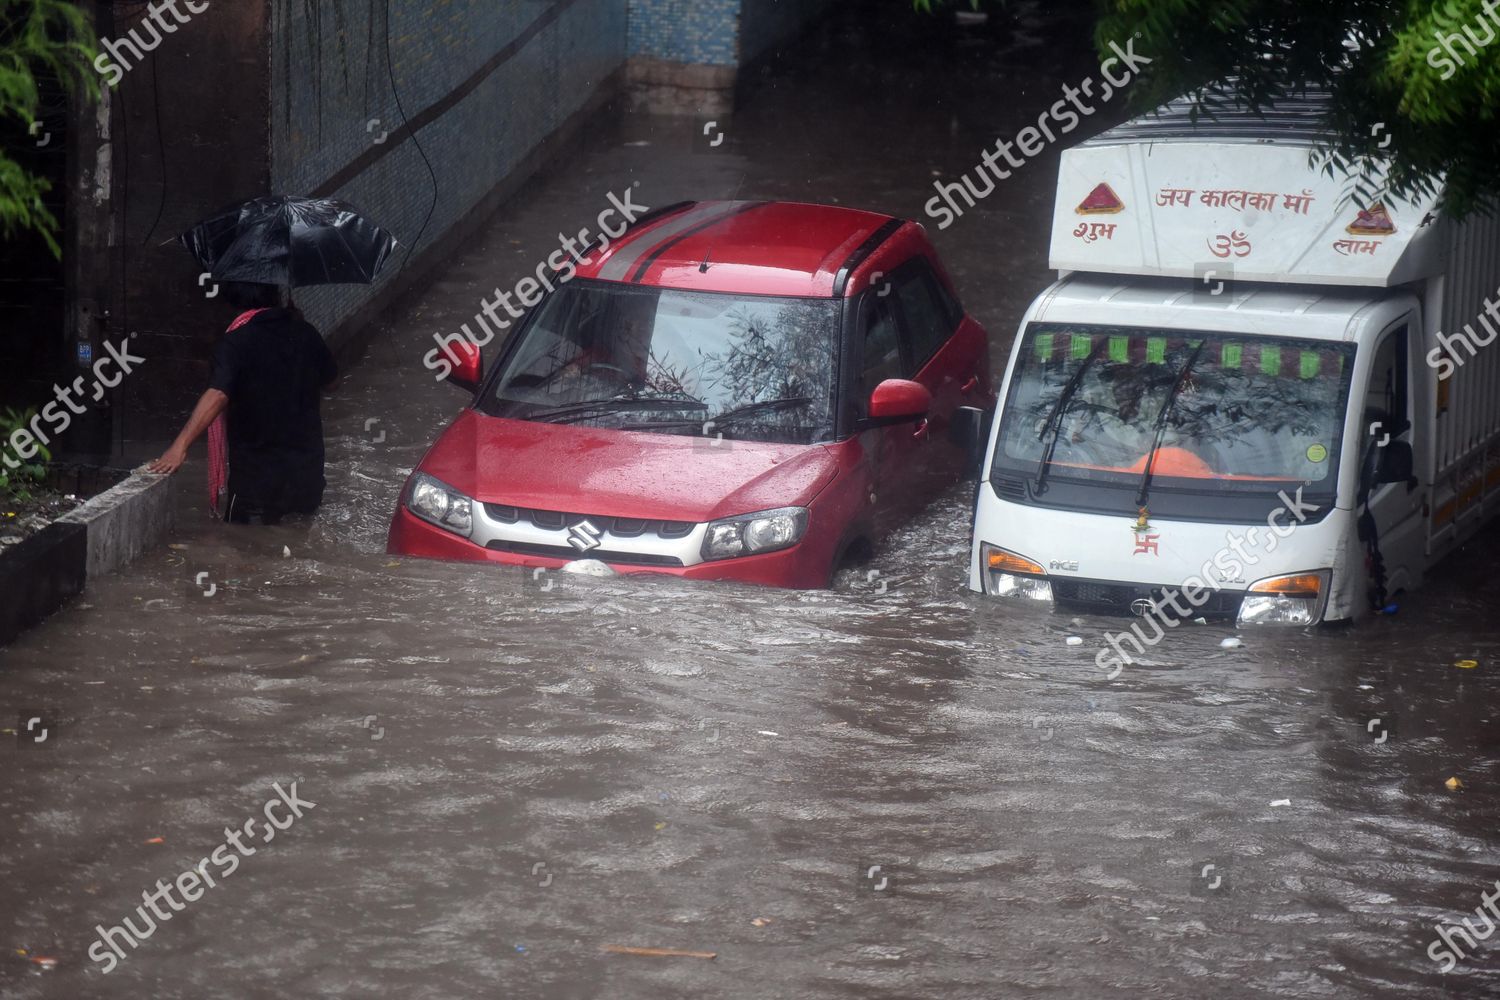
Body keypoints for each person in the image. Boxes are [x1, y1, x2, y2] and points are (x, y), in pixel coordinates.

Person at [148, 283, 337, 523]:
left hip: (257, 485)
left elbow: (217, 394)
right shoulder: (306, 333)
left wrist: (180, 446)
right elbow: (332, 382)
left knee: (246, 548)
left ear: (234, 301)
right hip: (307, 477)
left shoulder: (235, 343)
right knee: (298, 539)